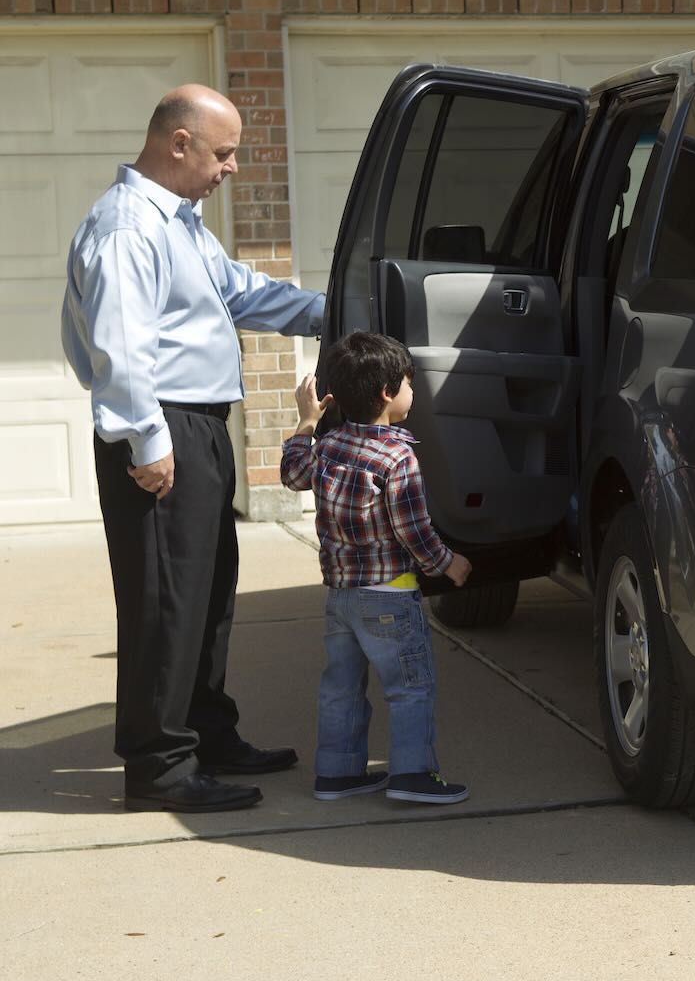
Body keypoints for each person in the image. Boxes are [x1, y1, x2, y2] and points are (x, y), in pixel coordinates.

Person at [61, 84, 324, 813]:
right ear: (179, 144)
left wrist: (339, 312)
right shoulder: (125, 228)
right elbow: (118, 347)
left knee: (207, 596)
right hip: (160, 428)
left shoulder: (181, 224)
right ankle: (159, 767)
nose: (232, 167)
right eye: (225, 152)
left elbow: (239, 294)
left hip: (200, 425)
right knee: (164, 603)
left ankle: (207, 732)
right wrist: (148, 440)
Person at [280, 332, 473, 804]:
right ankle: (412, 776)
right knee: (410, 688)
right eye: (409, 382)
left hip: (341, 599)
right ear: (387, 393)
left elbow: (292, 473)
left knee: (340, 688)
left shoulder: (327, 445)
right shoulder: (396, 456)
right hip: (390, 595)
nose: (413, 391)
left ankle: (338, 773)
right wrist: (450, 565)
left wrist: (307, 422)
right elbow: (414, 531)